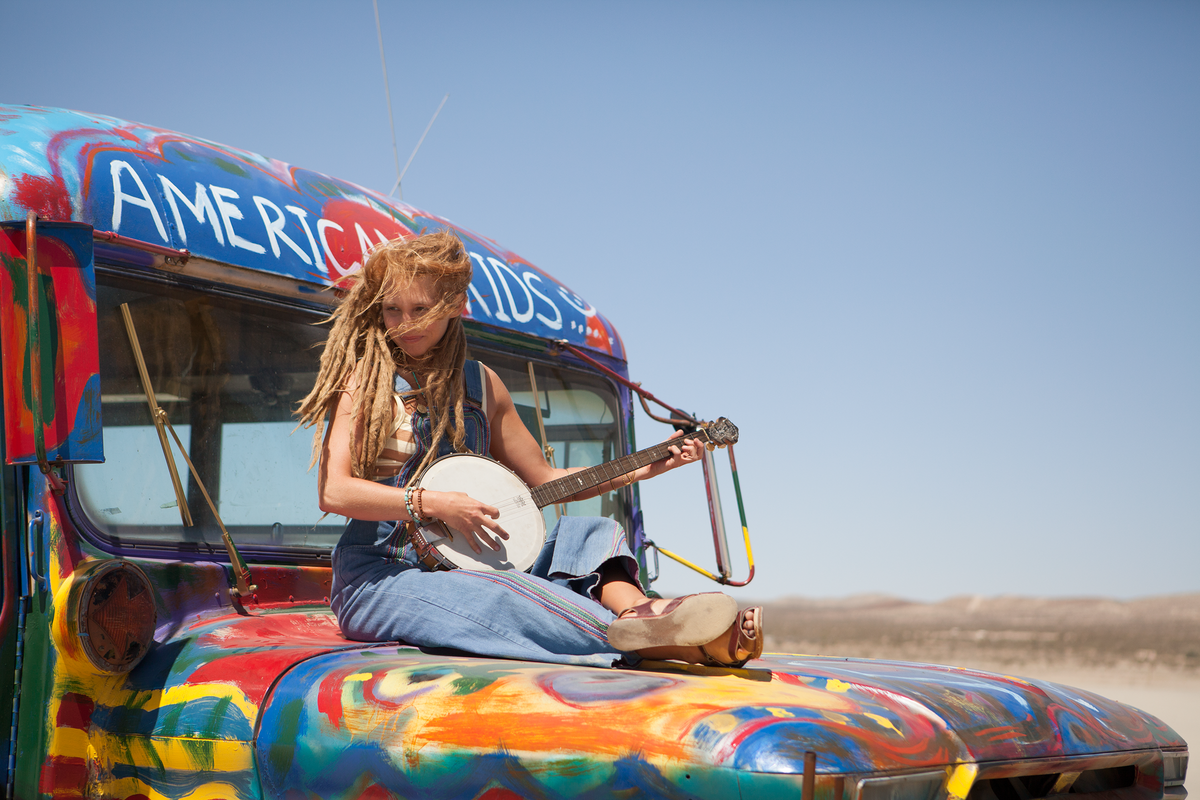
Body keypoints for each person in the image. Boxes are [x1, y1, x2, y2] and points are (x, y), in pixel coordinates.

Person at [297, 230, 762, 668]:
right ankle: (681, 642)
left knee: (588, 533)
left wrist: (643, 469)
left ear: (457, 304)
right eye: (392, 309)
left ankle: (640, 611)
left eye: (421, 308)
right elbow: (334, 493)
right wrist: (432, 503)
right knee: (504, 591)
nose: (404, 323)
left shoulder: (483, 386)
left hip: (475, 556)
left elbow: (543, 482)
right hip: (383, 576)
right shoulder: (363, 381)